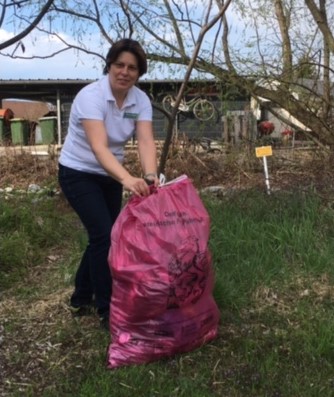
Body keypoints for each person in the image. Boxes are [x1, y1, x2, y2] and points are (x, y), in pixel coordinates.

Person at [58, 38, 159, 329]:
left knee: (104, 236)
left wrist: (150, 175)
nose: (125, 72)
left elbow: (145, 139)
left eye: (132, 68)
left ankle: (80, 297)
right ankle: (107, 310)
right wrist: (128, 178)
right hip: (78, 171)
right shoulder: (91, 96)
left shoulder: (140, 100)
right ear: (110, 65)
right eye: (119, 65)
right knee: (105, 236)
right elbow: (99, 147)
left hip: (110, 174)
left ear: (139, 73)